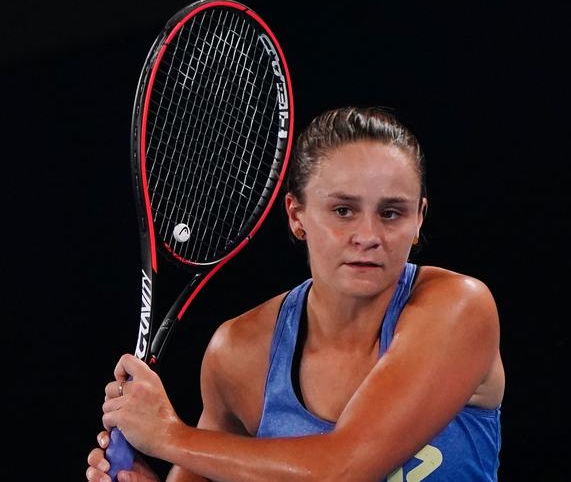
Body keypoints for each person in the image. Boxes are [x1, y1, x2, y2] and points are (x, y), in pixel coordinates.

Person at [86, 106, 505, 482]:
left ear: (418, 221)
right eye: (343, 211)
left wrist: (168, 435)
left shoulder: (459, 309)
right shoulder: (242, 353)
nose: (368, 236)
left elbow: (344, 468)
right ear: (296, 215)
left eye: (391, 213)